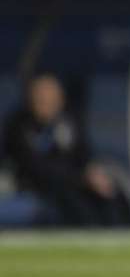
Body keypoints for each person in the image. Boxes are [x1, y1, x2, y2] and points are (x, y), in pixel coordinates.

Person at [2, 74, 123, 226]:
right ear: (31, 98)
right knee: (69, 203)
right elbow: (35, 167)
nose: (47, 102)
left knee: (109, 195)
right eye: (42, 97)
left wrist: (92, 173)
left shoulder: (69, 122)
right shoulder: (19, 125)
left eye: (52, 97)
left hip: (74, 183)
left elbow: (83, 154)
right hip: (38, 188)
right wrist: (80, 177)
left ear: (61, 99)